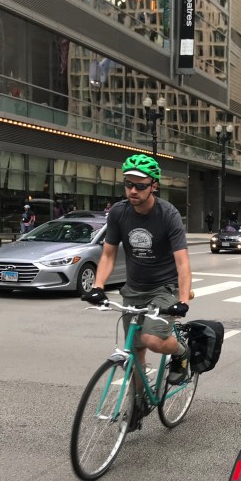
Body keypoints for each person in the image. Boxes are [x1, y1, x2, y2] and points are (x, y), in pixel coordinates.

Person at [83, 153, 193, 386]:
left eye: (140, 186)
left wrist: (183, 300)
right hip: (133, 289)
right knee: (135, 350)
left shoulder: (168, 214)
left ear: (154, 186)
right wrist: (98, 286)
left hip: (164, 288)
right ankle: (138, 402)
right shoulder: (118, 212)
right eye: (128, 184)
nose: (133, 191)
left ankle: (181, 352)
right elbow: (109, 254)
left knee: (151, 339)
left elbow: (183, 262)